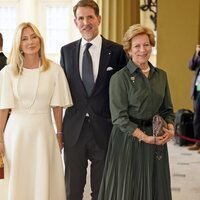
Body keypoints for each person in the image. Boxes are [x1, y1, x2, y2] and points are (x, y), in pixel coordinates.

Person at [98, 24, 175, 200]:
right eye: (137, 46)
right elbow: (119, 118)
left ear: (151, 46)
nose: (142, 50)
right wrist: (145, 138)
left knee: (155, 187)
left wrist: (170, 129)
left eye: (146, 44)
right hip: (128, 140)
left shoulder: (161, 75)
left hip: (156, 140)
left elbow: (167, 109)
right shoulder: (119, 78)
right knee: (129, 189)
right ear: (129, 50)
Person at [60, 0, 127, 199]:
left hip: (105, 131)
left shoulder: (116, 52)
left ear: (99, 19)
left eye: (90, 17)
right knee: (72, 190)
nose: (85, 22)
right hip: (74, 131)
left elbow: (124, 92)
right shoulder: (66, 51)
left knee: (103, 191)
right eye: (80, 18)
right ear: (75, 22)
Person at [0, 22, 73, 200]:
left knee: (42, 176)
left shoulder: (54, 70)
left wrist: (59, 133)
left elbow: (57, 106)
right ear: (19, 44)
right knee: (18, 178)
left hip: (44, 132)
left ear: (40, 39)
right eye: (24, 39)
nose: (30, 42)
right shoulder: (8, 72)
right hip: (15, 135)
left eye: (33, 37)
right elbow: (3, 108)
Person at [188, 44, 200, 152]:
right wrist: (196, 53)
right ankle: (197, 142)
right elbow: (191, 66)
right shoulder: (198, 53)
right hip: (198, 91)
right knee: (197, 117)